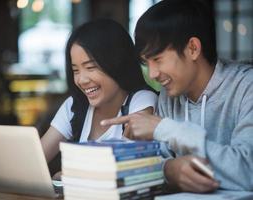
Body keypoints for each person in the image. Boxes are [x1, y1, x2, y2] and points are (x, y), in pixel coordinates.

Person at [101, 0, 253, 193]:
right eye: (147, 63)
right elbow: (158, 161)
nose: (152, 74)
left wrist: (165, 128)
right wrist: (170, 170)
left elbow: (248, 171)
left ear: (192, 49)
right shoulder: (169, 95)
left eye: (157, 59)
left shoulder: (247, 86)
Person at [41, 19, 158, 175]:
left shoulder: (142, 100)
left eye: (90, 67)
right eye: (75, 70)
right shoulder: (74, 106)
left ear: (117, 63)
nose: (81, 80)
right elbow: (36, 160)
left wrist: (72, 173)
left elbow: (126, 165)